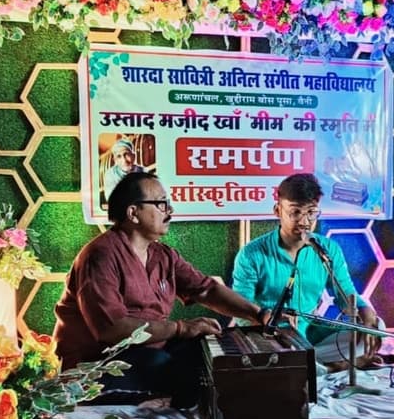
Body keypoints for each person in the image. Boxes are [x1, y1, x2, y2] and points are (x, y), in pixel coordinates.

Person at [54, 170, 268, 406]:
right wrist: (180, 328)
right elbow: (112, 329)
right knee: (173, 371)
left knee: (210, 350)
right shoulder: (100, 256)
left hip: (149, 353)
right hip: (97, 367)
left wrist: (258, 314)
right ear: (133, 213)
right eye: (161, 204)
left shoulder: (163, 255)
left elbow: (206, 289)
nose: (170, 211)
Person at [232, 173, 382, 371]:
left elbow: (347, 295)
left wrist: (367, 318)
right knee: (275, 358)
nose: (304, 221)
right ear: (277, 211)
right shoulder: (251, 254)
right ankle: (329, 366)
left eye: (311, 212)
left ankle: (311, 364)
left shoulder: (328, 249)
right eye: (295, 212)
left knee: (377, 326)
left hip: (310, 332)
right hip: (269, 336)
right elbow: (240, 310)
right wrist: (269, 320)